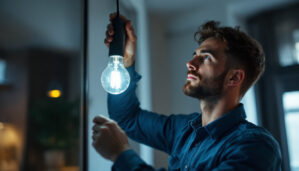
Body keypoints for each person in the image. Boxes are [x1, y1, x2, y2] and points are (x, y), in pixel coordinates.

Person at [92, 14, 282, 171]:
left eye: (206, 57)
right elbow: (128, 117)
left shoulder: (256, 146)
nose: (190, 64)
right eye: (194, 55)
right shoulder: (182, 129)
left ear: (234, 78)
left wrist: (121, 154)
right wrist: (127, 59)